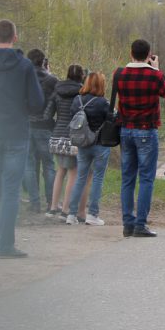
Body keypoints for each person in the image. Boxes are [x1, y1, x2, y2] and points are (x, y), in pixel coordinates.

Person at [0, 19, 45, 258]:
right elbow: (37, 103)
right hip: (16, 134)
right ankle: (6, 245)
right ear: (15, 38)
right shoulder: (25, 66)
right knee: (10, 191)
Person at [117, 39, 165, 238]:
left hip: (126, 130)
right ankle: (140, 224)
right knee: (146, 178)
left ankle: (127, 223)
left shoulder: (120, 74)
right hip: (147, 131)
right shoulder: (154, 76)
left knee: (127, 179)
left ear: (131, 53)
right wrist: (157, 69)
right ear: (149, 55)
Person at [65, 72, 111, 226]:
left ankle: (71, 214)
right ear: (100, 85)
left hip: (82, 144)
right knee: (97, 178)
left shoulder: (76, 100)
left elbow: (72, 117)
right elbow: (111, 119)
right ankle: (92, 214)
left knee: (80, 178)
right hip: (100, 144)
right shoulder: (103, 103)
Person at [45, 65, 85, 220]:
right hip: (73, 137)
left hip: (57, 135)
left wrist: (54, 127)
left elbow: (48, 113)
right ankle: (66, 209)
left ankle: (53, 207)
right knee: (73, 172)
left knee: (60, 170)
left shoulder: (57, 90)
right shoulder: (81, 92)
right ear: (81, 76)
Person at [24, 49, 57, 213]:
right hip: (45, 126)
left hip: (27, 125)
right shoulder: (52, 80)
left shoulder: (23, 78)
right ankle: (51, 202)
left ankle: (34, 202)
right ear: (44, 61)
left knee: (29, 165)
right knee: (49, 165)